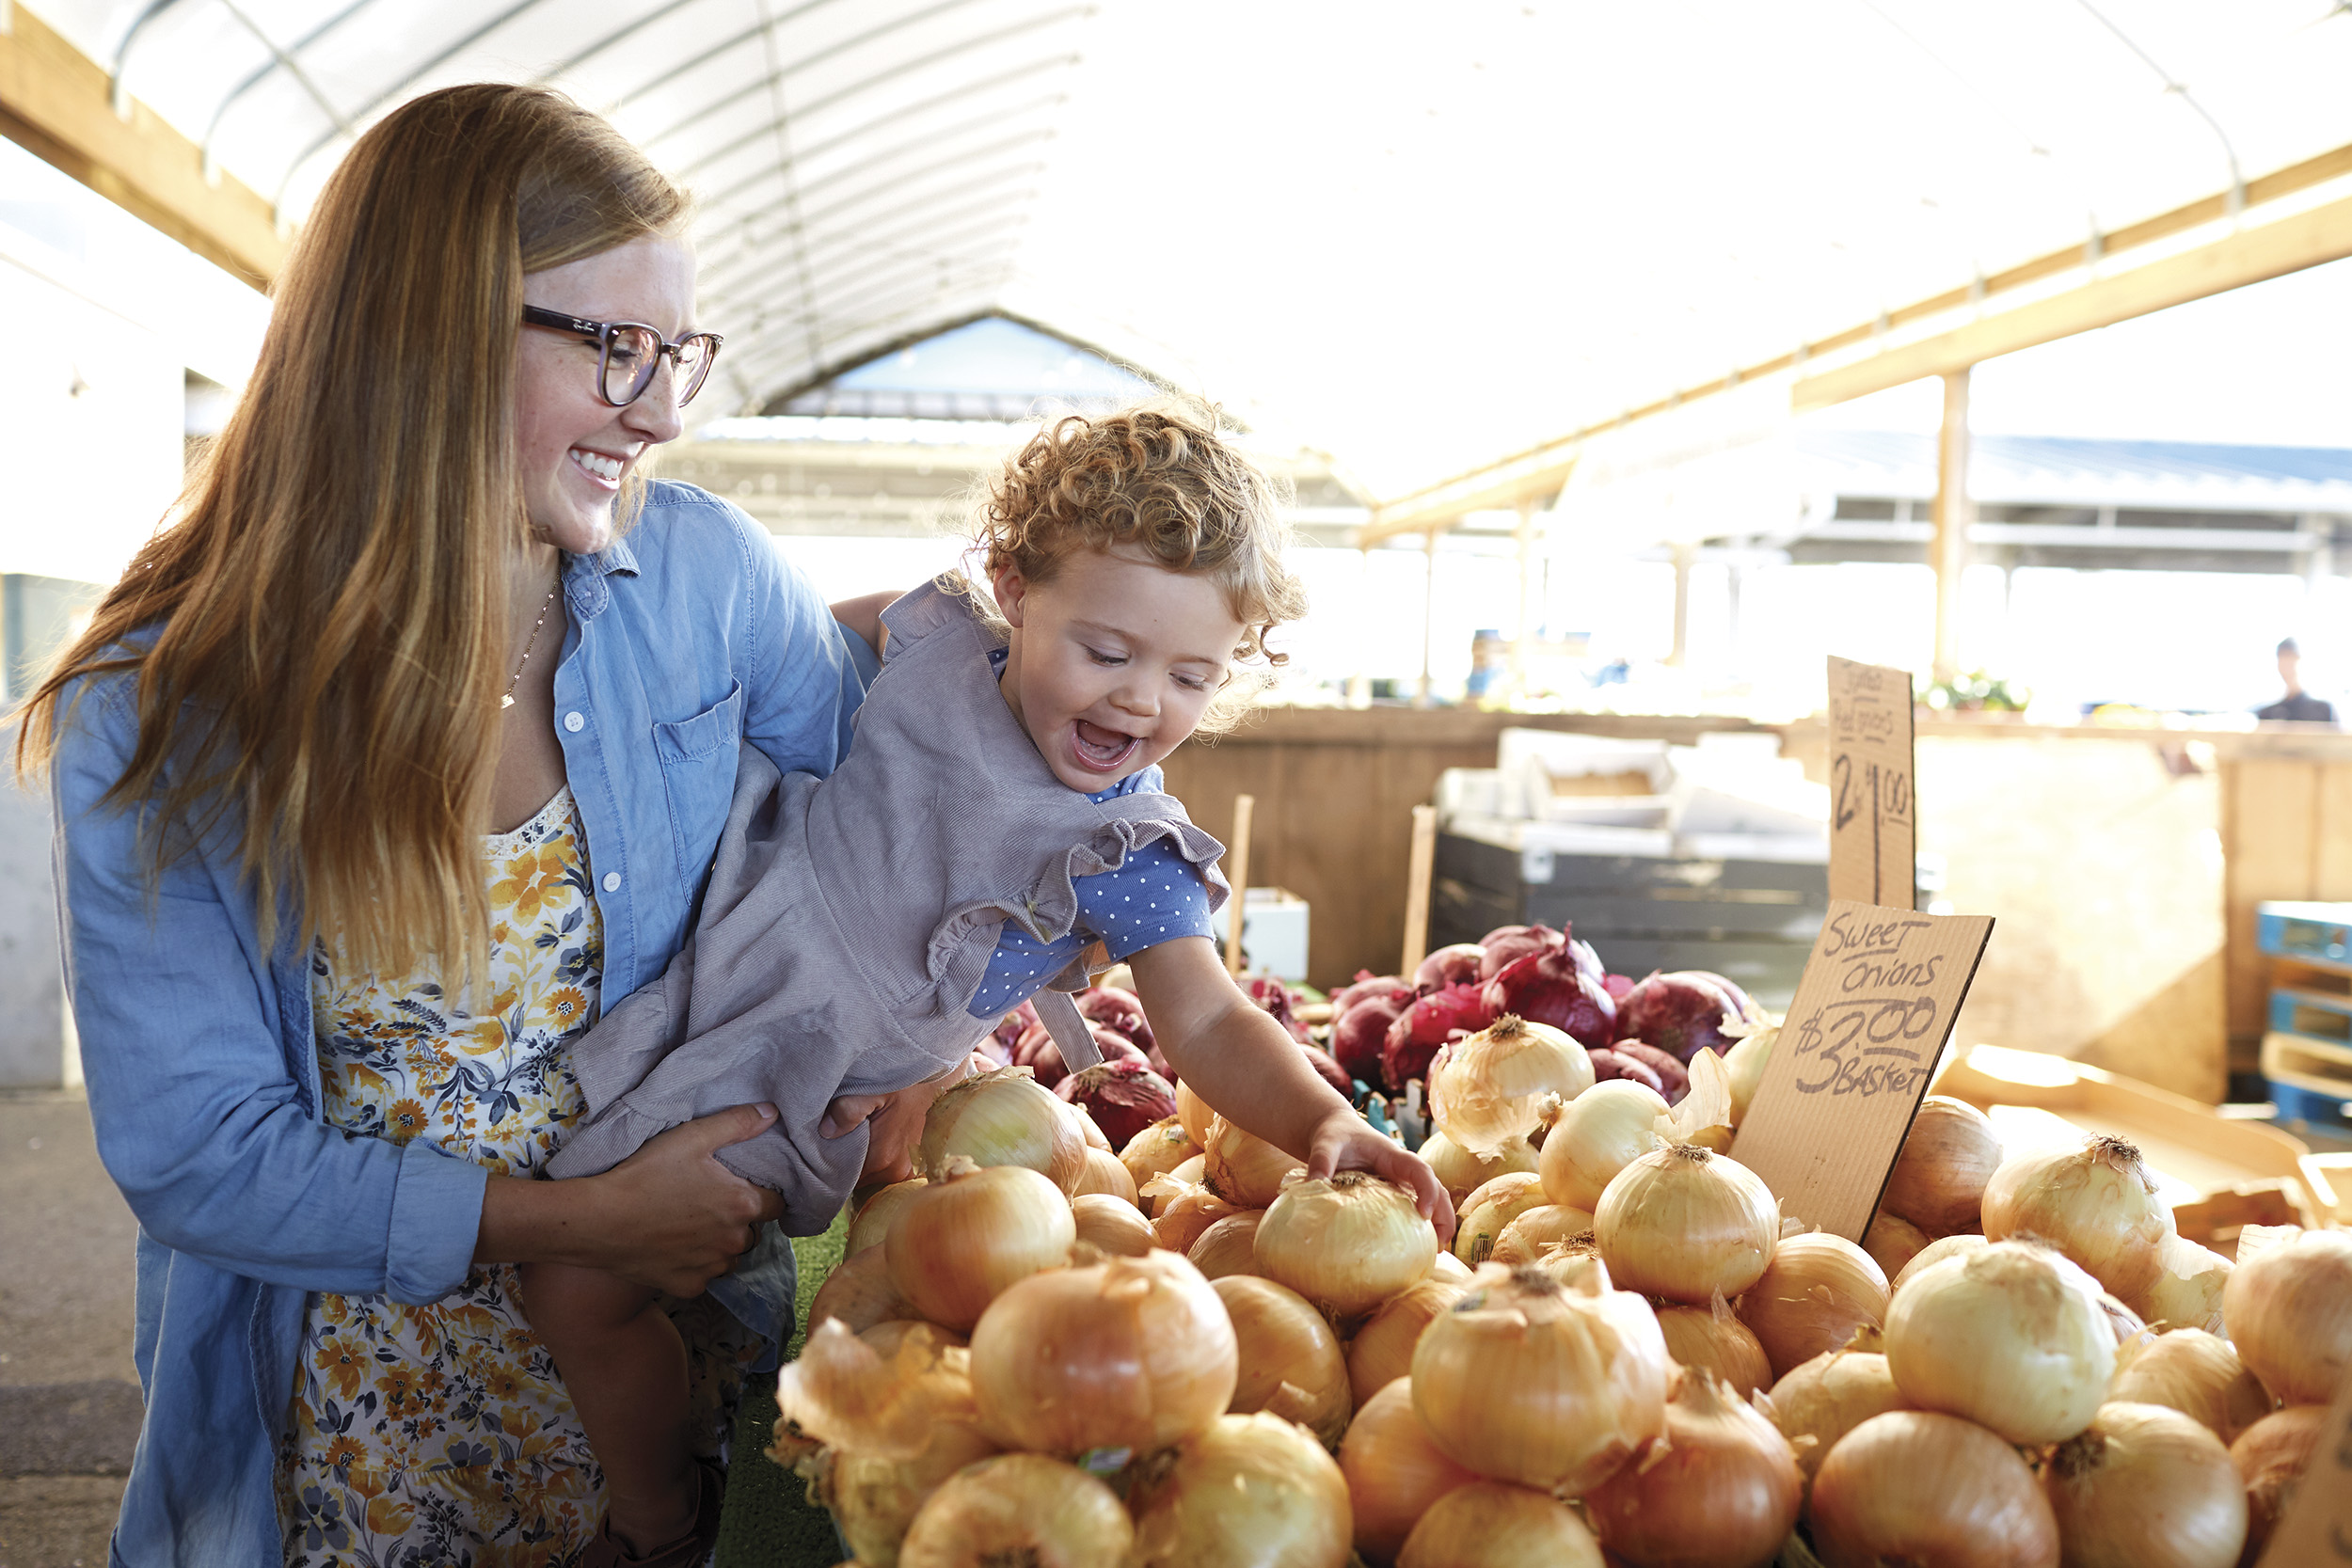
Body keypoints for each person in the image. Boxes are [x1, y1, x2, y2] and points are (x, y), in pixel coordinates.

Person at [17, 84, 893, 1566]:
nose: (665, 411)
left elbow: (889, 806)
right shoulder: (169, 706)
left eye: (679, 351)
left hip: (682, 1391)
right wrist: (586, 1223)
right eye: (618, 347)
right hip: (363, 1452)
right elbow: (199, 1151)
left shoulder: (705, 579)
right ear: (428, 327)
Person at [522, 405, 1457, 1563]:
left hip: (786, 1072)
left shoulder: (1131, 855)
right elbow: (784, 659)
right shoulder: (937, 645)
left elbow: (1208, 1015)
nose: (1137, 701)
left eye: (1189, 676)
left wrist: (1321, 1117)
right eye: (1106, 651)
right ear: (1014, 587)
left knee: (575, 1286)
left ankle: (654, 1519)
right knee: (612, 1249)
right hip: (695, 948)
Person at [2257, 637, 2337, 725]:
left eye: (2291, 658)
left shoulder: (2323, 709)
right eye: (2282, 659)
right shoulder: (2267, 714)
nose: (2287, 665)